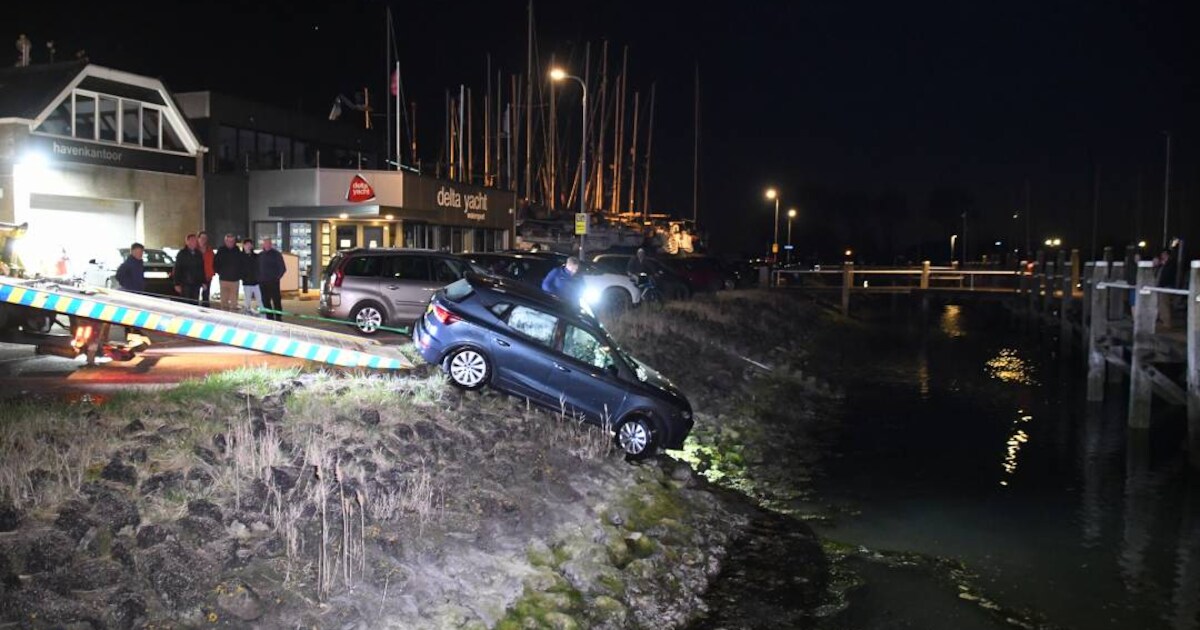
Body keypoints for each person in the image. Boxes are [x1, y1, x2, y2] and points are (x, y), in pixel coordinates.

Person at [258, 237, 286, 321]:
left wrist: (277, 278)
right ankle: (269, 317)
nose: (267, 244)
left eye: (268, 243)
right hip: (263, 282)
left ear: (271, 244)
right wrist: (258, 278)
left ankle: (278, 317)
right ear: (263, 244)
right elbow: (256, 268)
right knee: (265, 300)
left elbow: (282, 268)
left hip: (273, 282)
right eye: (265, 243)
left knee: (276, 300)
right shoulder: (260, 255)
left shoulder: (277, 254)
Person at [213, 233, 243, 311]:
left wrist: (239, 275)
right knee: (224, 303)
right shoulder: (221, 250)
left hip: (235, 280)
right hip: (223, 280)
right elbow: (215, 263)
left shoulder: (237, 250)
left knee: (234, 303)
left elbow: (241, 263)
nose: (230, 243)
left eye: (232, 241)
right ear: (225, 241)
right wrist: (220, 272)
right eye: (228, 241)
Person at [173, 234, 206, 305]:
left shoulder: (198, 254)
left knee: (195, 303)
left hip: (196, 283)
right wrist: (176, 284)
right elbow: (177, 269)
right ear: (187, 242)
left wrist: (204, 281)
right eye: (191, 241)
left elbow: (201, 269)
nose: (193, 242)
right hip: (185, 284)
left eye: (195, 241)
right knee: (186, 303)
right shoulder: (182, 254)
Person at [239, 239, 263, 316]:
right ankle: (247, 315)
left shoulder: (256, 256)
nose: (248, 246)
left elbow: (259, 268)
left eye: (250, 245)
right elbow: (239, 269)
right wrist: (243, 277)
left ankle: (263, 315)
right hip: (246, 282)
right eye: (247, 245)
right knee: (247, 300)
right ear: (244, 246)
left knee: (260, 300)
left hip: (256, 282)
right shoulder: (240, 256)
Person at [1157, 248, 1177, 327]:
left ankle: (1167, 323)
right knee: (1161, 304)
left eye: (1163, 254)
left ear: (1166, 255)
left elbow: (1168, 276)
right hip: (1161, 286)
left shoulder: (1170, 264)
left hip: (1166, 286)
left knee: (1164, 304)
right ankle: (1162, 320)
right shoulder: (1162, 264)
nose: (1162, 256)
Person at [197, 231, 215, 308]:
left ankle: (205, 313)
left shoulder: (210, 250)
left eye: (205, 238)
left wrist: (212, 273)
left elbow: (214, 262)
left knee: (206, 296)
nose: (203, 239)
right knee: (194, 296)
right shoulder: (194, 250)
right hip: (196, 277)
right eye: (202, 238)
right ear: (198, 238)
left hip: (207, 276)